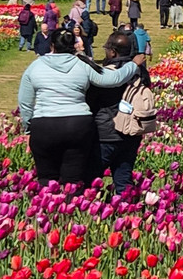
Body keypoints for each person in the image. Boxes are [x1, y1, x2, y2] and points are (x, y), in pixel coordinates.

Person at [17, 29, 143, 189]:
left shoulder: (35, 66)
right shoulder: (82, 64)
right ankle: (70, 204)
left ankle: (48, 208)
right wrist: (133, 64)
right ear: (74, 45)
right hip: (77, 125)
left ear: (52, 45)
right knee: (72, 179)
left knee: (47, 178)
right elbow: (113, 79)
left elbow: (25, 102)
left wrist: (28, 129)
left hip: (44, 125)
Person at [88, 32, 152, 195]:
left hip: (106, 132)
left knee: (91, 176)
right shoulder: (141, 73)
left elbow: (92, 101)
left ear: (112, 52)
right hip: (132, 131)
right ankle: (127, 211)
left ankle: (88, 208)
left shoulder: (104, 74)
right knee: (123, 176)